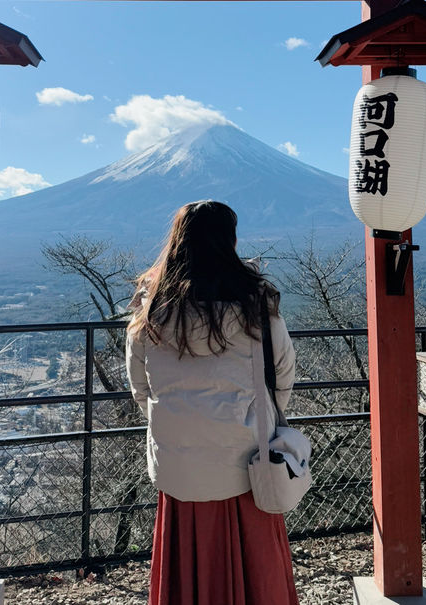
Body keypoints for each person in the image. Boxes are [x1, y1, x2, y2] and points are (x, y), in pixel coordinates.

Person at [126, 200, 300, 605]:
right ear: (231, 241)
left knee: (187, 569)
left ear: (176, 242)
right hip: (249, 466)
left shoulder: (149, 311)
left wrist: (179, 424)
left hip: (178, 468)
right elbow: (282, 377)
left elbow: (140, 390)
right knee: (256, 570)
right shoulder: (258, 305)